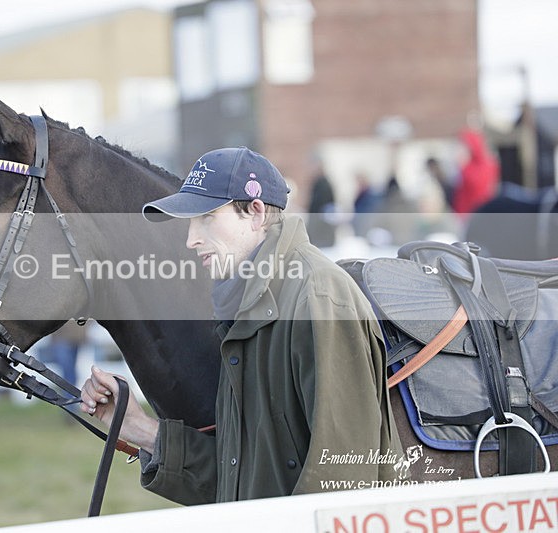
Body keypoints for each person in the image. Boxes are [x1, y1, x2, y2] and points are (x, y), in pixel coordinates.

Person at [80, 147, 403, 504]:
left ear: (255, 212)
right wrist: (138, 429)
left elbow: (345, 480)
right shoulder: (243, 307)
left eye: (206, 218)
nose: (191, 240)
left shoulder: (317, 296)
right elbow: (242, 476)